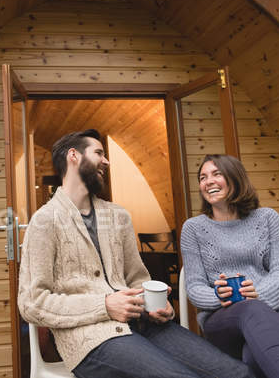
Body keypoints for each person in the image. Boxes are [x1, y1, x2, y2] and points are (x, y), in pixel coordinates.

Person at [18, 130, 254, 378]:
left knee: (237, 373)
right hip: (90, 340)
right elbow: (32, 302)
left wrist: (158, 305)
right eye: (99, 153)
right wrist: (105, 306)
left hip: (145, 326)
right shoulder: (45, 221)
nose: (106, 161)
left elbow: (138, 279)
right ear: (74, 156)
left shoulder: (118, 216)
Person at [180, 154, 279, 378]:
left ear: (235, 178)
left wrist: (258, 295)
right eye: (203, 177)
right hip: (224, 322)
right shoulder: (193, 229)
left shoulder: (267, 218)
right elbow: (194, 286)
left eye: (217, 174)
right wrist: (218, 295)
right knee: (251, 310)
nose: (208, 181)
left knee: (254, 356)